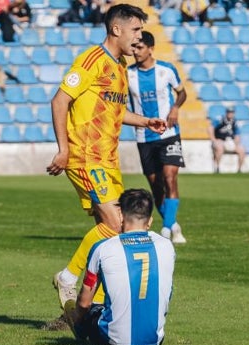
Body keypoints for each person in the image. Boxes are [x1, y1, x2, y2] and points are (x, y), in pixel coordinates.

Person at [46, 3, 167, 312]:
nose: (139, 38)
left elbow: (114, 110)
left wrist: (144, 121)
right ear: (117, 29)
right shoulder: (92, 60)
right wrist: (64, 149)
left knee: (112, 234)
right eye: (136, 30)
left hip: (107, 160)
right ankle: (68, 276)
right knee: (117, 225)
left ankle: (94, 306)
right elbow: (60, 101)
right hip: (86, 156)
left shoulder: (119, 68)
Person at [62, 188, 176, 345]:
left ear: (121, 216)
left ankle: (81, 335)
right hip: (155, 338)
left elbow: (84, 302)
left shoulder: (102, 248)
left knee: (88, 308)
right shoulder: (167, 246)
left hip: (111, 338)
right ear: (149, 221)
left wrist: (76, 316)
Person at [128, 31, 187, 244]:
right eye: (133, 47)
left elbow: (182, 92)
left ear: (151, 49)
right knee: (156, 185)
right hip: (144, 137)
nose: (135, 51)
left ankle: (164, 229)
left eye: (139, 47)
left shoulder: (166, 70)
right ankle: (173, 224)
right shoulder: (128, 74)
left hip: (169, 133)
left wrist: (175, 108)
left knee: (170, 177)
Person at [209, 106, 245, 173]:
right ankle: (217, 168)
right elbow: (211, 128)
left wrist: (236, 143)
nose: (230, 114)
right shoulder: (220, 119)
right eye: (229, 112)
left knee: (242, 150)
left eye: (232, 112)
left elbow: (237, 134)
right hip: (219, 140)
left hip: (230, 141)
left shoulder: (234, 122)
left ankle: (239, 170)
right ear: (226, 113)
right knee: (219, 148)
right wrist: (213, 139)